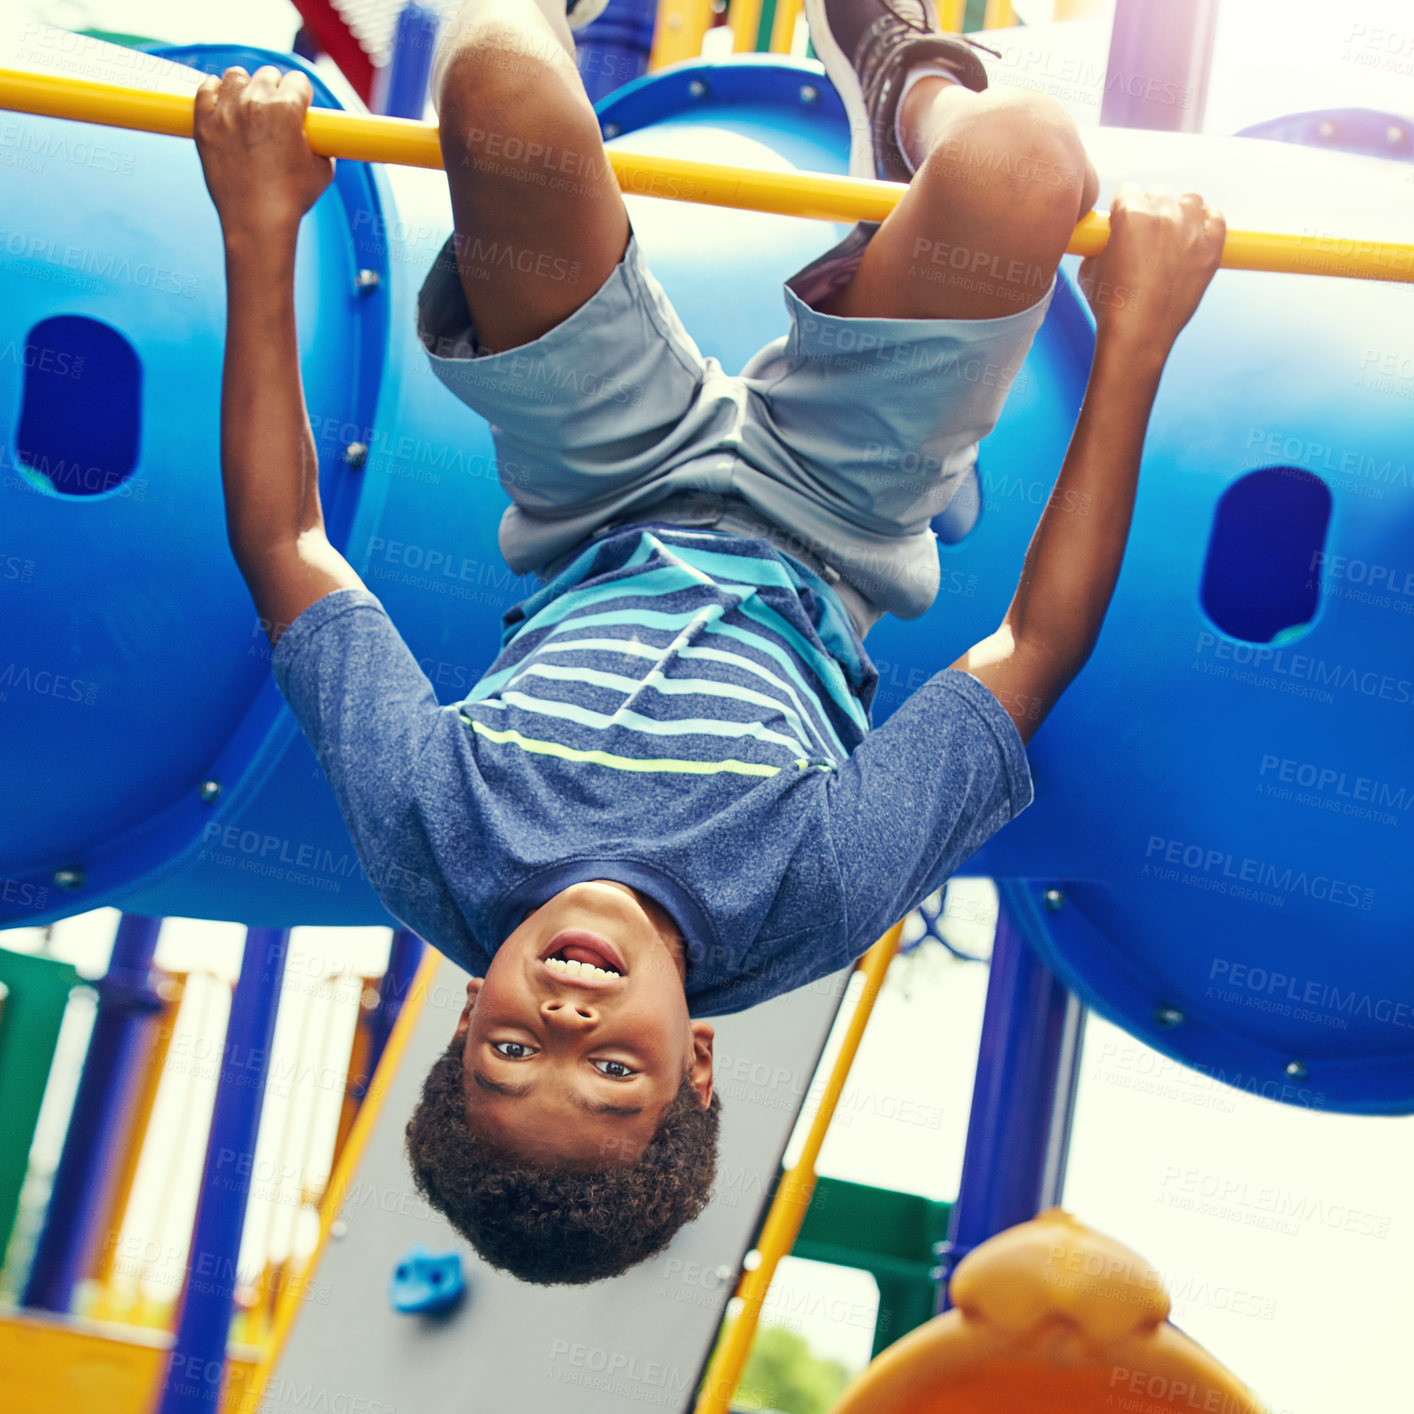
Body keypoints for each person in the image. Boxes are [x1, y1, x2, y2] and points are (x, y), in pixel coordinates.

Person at [192, 0, 1224, 1285]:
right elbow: (1030, 648)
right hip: (837, 507)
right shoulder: (809, 899)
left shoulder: (433, 846)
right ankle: (909, 85)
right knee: (1022, 158)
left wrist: (261, 226)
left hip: (600, 479)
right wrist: (1135, 334)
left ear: (466, 1016)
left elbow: (289, 548)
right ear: (697, 1057)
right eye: (614, 1068)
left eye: (515, 1052)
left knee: (505, 94)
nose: (567, 1018)